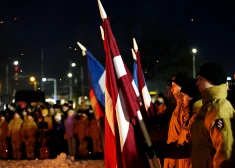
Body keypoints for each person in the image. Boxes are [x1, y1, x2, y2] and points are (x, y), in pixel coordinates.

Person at [191, 62, 235, 167]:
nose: (197, 83)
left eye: (200, 79)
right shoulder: (205, 107)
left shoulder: (219, 109)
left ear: (213, 80)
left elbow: (225, 152)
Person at [164, 71, 194, 168]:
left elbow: (185, 138)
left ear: (182, 86)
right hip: (174, 157)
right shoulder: (178, 106)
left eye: (174, 86)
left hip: (179, 159)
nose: (172, 89)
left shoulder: (185, 108)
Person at [176, 79, 202, 167]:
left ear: (192, 97)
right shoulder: (189, 116)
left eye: (183, 96)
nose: (181, 99)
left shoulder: (197, 118)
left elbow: (192, 149)